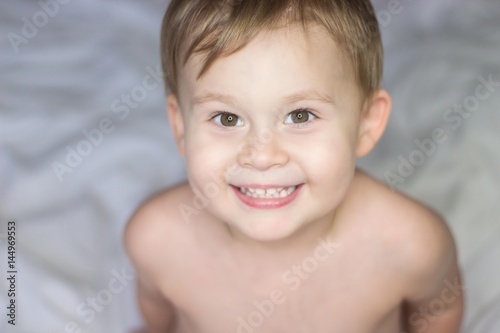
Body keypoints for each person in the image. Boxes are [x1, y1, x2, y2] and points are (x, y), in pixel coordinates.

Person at [125, 1, 464, 332]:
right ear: (181, 127)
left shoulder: (410, 244)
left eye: (299, 115)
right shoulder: (156, 240)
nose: (261, 156)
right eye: (227, 118)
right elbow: (158, 315)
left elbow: (440, 309)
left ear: (366, 123)